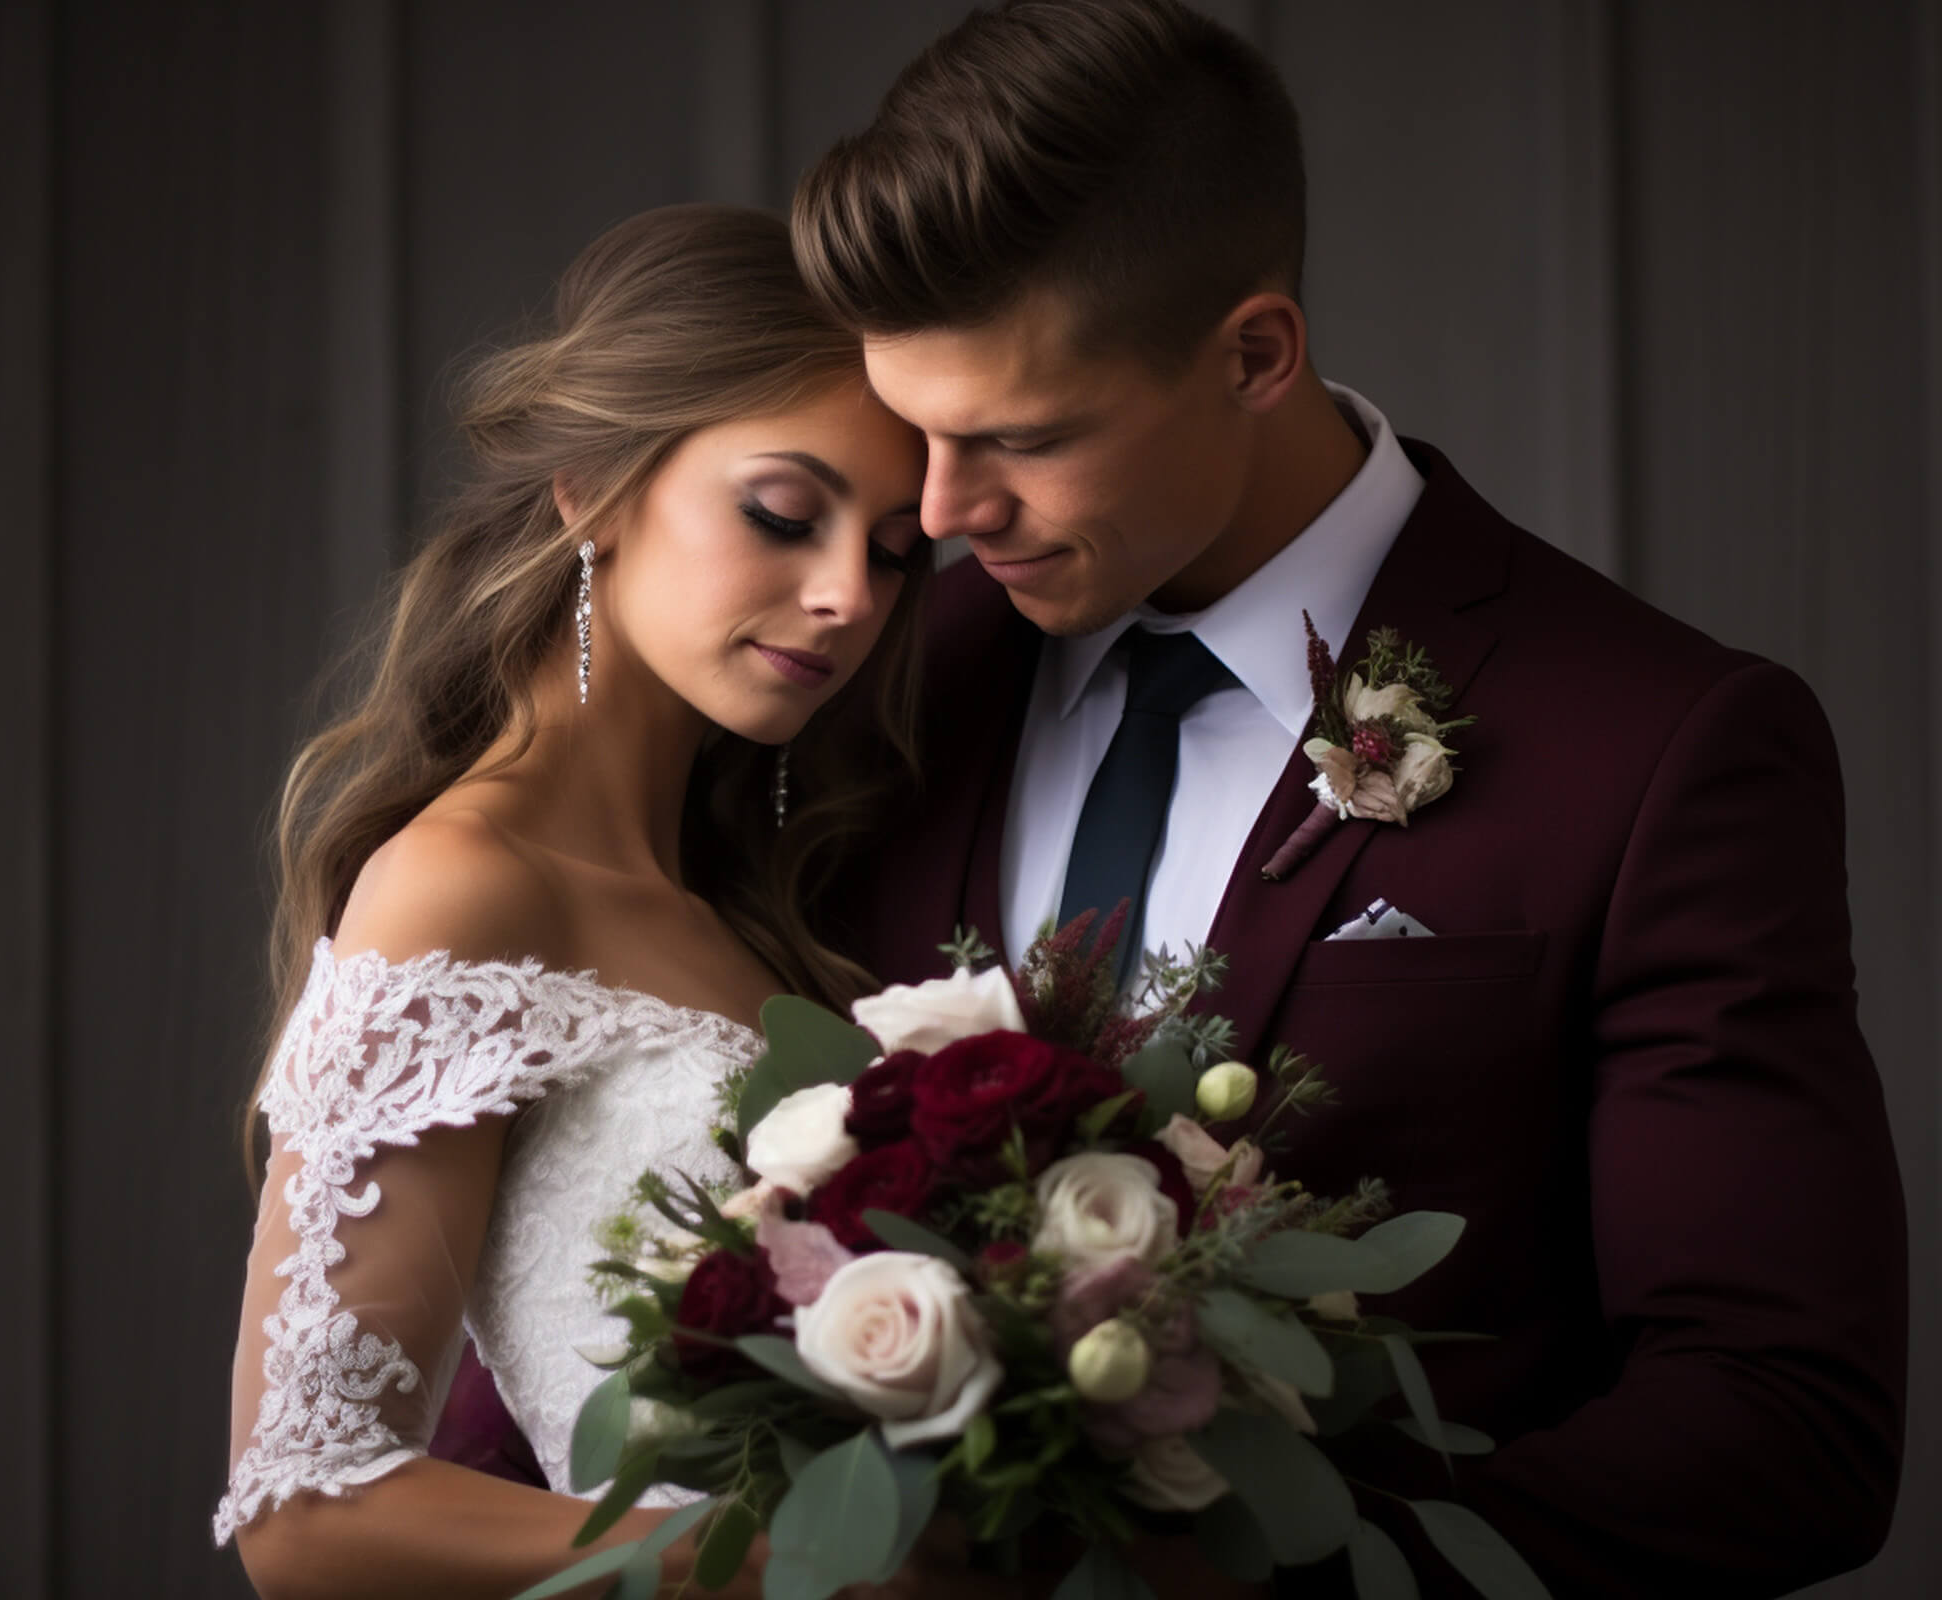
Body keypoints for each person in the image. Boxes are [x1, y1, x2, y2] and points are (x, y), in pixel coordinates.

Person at [784, 2, 1909, 1596]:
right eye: (919, 431)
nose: (947, 513)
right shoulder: (865, 684)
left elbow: (1786, 1424)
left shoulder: (1660, 746)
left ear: (1255, 353)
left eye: (1022, 438)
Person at [214, 204, 935, 1598]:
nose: (850, 593)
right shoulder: (462, 884)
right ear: (592, 487)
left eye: (897, 549)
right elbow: (305, 1515)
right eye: (783, 514)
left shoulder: (741, 912)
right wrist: (813, 1572)